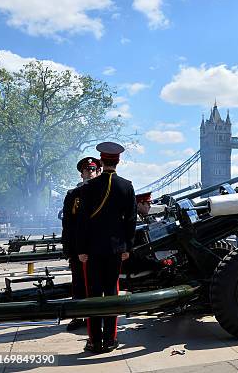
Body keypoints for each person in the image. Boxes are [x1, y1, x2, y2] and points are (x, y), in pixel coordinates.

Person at [76, 142, 136, 353]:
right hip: (115, 249)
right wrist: (128, 246)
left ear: (101, 161)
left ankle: (94, 341)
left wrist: (81, 249)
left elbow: (82, 220)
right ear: (118, 161)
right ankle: (110, 340)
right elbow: (130, 220)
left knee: (93, 295)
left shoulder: (89, 187)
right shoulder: (127, 186)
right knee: (112, 293)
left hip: (92, 250)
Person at [61, 157, 101, 331]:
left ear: (98, 171)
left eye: (93, 169)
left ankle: (98, 315)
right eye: (87, 170)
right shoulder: (73, 195)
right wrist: (68, 248)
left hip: (99, 247)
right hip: (79, 248)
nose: (90, 172)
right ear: (81, 173)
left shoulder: (104, 192)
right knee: (78, 283)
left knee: (98, 284)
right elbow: (68, 224)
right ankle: (78, 316)